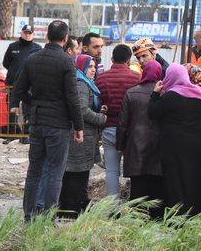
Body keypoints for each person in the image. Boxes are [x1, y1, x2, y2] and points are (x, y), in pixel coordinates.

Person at [9, 20, 83, 222]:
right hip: (58, 124)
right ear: (66, 38)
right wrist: (79, 126)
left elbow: (19, 88)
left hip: (38, 122)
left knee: (34, 170)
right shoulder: (66, 62)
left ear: (47, 36)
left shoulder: (33, 58)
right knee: (54, 171)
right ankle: (49, 218)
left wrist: (32, 104)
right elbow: (72, 97)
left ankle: (29, 216)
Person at [148, 64, 201, 216]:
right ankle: (199, 213)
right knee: (196, 178)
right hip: (199, 144)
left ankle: (178, 215)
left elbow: (152, 112)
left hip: (176, 147)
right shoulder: (200, 94)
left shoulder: (171, 96)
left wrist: (155, 94)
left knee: (176, 180)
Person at [59, 54, 106, 217]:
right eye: (89, 66)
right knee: (76, 174)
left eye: (94, 67)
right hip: (79, 136)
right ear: (81, 67)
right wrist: (101, 118)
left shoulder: (86, 82)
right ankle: (70, 211)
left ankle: (70, 208)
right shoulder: (81, 84)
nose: (93, 70)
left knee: (77, 174)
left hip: (84, 136)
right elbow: (82, 110)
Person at [117, 61, 164, 219]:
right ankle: (156, 218)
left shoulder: (131, 92)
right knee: (157, 185)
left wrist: (120, 145)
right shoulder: (165, 93)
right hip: (159, 146)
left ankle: (136, 219)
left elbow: (123, 123)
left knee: (138, 186)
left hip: (135, 145)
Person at [95, 45, 140, 197]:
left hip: (109, 129)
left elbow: (97, 103)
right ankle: (133, 205)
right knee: (134, 171)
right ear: (129, 60)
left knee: (112, 171)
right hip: (130, 132)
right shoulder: (137, 78)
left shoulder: (100, 78)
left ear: (112, 59)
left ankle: (112, 207)